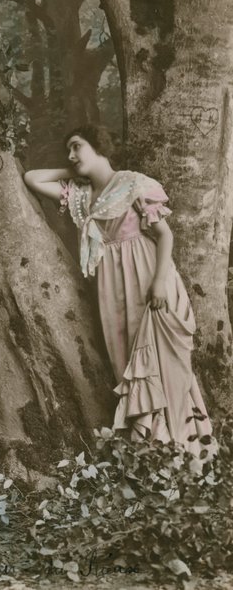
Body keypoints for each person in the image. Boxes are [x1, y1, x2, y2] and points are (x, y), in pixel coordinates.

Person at [24, 124, 216, 459]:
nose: (71, 155)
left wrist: (158, 282)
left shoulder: (132, 183)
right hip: (111, 287)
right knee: (126, 363)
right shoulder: (81, 195)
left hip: (148, 276)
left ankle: (183, 450)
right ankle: (150, 452)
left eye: (77, 146)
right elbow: (32, 178)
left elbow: (164, 236)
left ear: (98, 145)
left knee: (162, 363)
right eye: (68, 149)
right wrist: (72, 168)